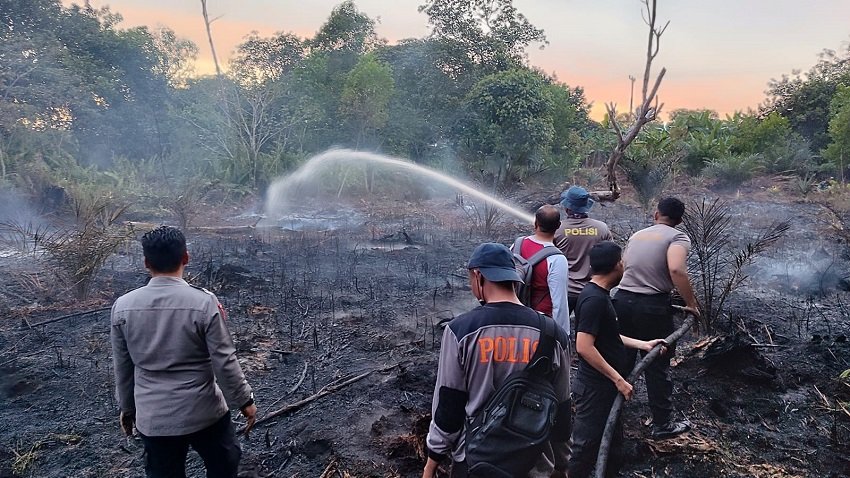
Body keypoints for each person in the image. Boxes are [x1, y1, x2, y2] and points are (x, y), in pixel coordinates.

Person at [110, 226, 257, 478]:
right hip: (206, 414)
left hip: (154, 419)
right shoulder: (203, 302)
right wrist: (245, 401)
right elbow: (224, 361)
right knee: (224, 464)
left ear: (146, 262)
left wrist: (127, 408)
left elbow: (123, 366)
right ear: (186, 257)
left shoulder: (122, 307)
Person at [423, 243, 572, 478]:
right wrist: (562, 464)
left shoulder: (461, 331)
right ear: (513, 280)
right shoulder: (554, 334)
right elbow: (562, 407)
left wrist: (433, 459)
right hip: (533, 463)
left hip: (474, 461)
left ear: (478, 276)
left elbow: (449, 404)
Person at [569, 241, 666, 478]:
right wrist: (618, 379)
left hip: (606, 387)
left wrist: (643, 344)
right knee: (585, 447)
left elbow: (609, 335)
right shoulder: (594, 300)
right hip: (595, 388)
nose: (624, 265)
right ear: (616, 266)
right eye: (622, 261)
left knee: (612, 445)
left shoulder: (600, 296)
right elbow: (584, 346)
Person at [614, 197, 700, 439]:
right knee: (656, 364)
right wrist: (691, 305)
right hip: (651, 306)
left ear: (656, 214)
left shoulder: (637, 235)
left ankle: (609, 413)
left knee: (622, 360)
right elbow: (676, 270)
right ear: (680, 220)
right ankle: (663, 424)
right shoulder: (678, 237)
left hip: (622, 301)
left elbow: (625, 265)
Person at [554, 185, 613, 313]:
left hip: (566, 291)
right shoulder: (602, 228)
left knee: (561, 330)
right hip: (593, 291)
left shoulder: (557, 230)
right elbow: (611, 258)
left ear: (567, 208)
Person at [513, 204, 570, 334]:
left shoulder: (517, 245)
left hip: (515, 318)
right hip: (541, 324)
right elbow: (559, 304)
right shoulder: (556, 259)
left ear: (535, 223)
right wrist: (562, 336)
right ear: (558, 226)